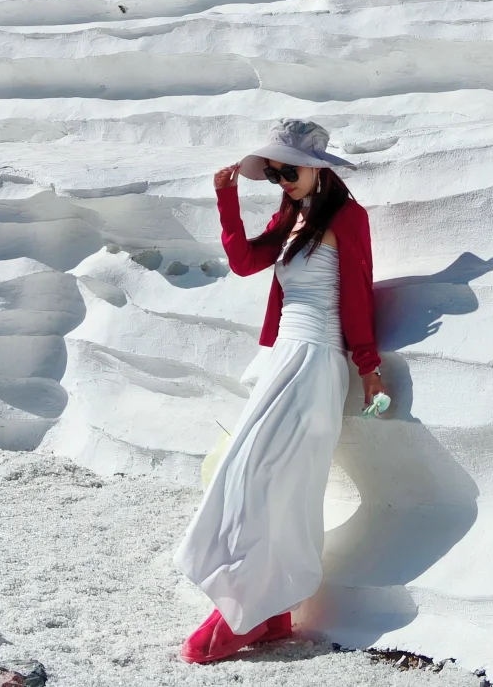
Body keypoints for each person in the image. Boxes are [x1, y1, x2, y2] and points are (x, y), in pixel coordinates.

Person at [174, 118, 387, 665]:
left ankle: (248, 611)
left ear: (319, 167)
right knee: (247, 479)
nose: (280, 180)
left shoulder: (348, 217)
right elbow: (246, 263)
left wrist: (368, 366)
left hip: (316, 360)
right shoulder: (292, 215)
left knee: (270, 484)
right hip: (281, 359)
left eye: (287, 170)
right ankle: (266, 614)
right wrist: (227, 197)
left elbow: (359, 293)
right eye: (272, 172)